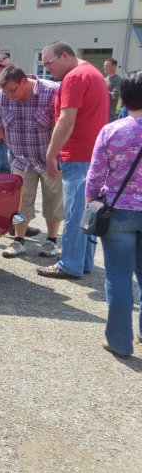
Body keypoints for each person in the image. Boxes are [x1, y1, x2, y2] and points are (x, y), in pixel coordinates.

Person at [37, 40, 109, 279]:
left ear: (65, 56)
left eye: (49, 62)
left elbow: (66, 120)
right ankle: (83, 262)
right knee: (86, 214)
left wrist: (50, 153)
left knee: (76, 214)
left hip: (77, 155)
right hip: (91, 155)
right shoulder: (92, 72)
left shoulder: (75, 77)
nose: (47, 68)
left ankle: (69, 264)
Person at [86, 70, 142, 357]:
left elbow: (95, 175)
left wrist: (91, 201)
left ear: (123, 97)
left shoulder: (112, 130)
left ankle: (120, 342)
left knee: (119, 278)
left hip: (118, 211)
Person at [0, 65, 64, 259]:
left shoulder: (52, 92)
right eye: (5, 92)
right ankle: (19, 241)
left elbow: (65, 125)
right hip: (21, 160)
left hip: (49, 160)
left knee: (53, 201)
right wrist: (11, 146)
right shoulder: (3, 96)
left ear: (23, 81)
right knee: (21, 202)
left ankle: (51, 242)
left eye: (12, 90)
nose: (9, 95)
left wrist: (56, 155)